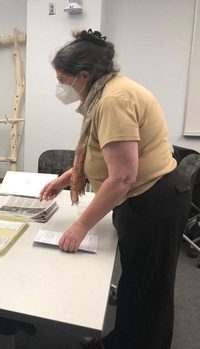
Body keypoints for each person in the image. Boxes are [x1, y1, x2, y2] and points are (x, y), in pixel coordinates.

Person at [40, 29, 192, 349]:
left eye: (63, 79)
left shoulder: (114, 100)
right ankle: (121, 340)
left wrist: (81, 226)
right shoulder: (107, 91)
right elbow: (100, 153)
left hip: (154, 198)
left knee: (149, 286)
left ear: (83, 75)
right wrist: (64, 178)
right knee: (136, 280)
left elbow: (122, 176)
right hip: (146, 195)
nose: (61, 88)